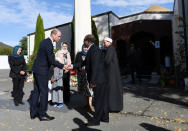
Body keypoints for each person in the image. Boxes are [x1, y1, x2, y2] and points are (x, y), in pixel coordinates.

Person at [29, 29, 66, 121]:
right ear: (53, 35)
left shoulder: (44, 42)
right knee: (44, 92)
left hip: (37, 70)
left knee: (36, 91)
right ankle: (42, 114)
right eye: (59, 36)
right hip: (42, 71)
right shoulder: (49, 44)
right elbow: (51, 60)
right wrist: (63, 66)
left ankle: (33, 113)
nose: (60, 38)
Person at [84, 34, 109, 126]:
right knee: (103, 100)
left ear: (88, 41)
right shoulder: (94, 49)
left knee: (98, 101)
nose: (84, 42)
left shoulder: (93, 50)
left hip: (98, 80)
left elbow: (95, 67)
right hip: (102, 79)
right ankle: (105, 118)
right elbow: (87, 62)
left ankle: (96, 121)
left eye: (84, 40)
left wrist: (92, 82)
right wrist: (74, 66)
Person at [104, 37, 123, 112]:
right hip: (113, 73)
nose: (104, 43)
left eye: (105, 42)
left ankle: (113, 107)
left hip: (111, 73)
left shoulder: (110, 49)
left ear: (109, 42)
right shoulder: (111, 49)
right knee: (114, 89)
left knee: (112, 90)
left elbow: (107, 61)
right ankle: (115, 107)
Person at [72, 44, 94, 110]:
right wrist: (79, 68)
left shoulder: (90, 54)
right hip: (81, 74)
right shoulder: (79, 54)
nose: (85, 48)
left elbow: (92, 64)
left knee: (89, 89)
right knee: (84, 90)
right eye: (84, 47)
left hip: (88, 74)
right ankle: (86, 103)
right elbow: (76, 63)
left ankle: (90, 103)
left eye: (86, 47)